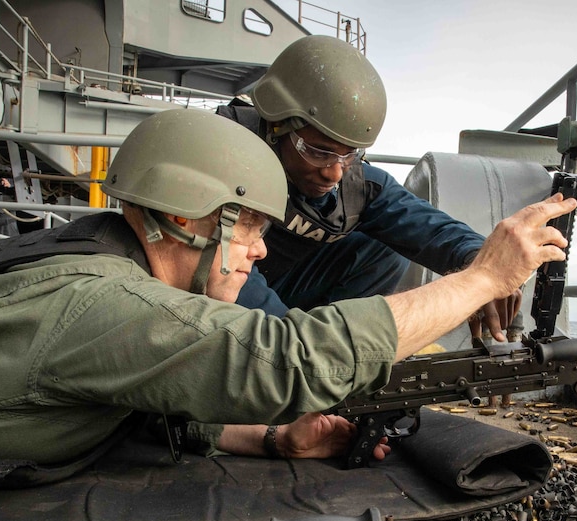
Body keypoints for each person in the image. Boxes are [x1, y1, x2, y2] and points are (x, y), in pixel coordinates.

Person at [0, 108, 576, 477]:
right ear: (185, 217)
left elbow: (123, 400)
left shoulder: (101, 255)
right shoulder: (99, 301)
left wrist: (271, 440)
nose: (262, 251)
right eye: (248, 231)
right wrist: (484, 277)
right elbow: (286, 360)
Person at [219, 36, 521, 343]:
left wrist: (482, 266)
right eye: (318, 152)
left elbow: (428, 227)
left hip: (285, 286)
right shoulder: (217, 154)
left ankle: (328, 344)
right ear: (275, 126)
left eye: (348, 154)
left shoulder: (358, 185)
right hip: (214, 293)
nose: (334, 172)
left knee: (387, 246)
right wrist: (292, 349)